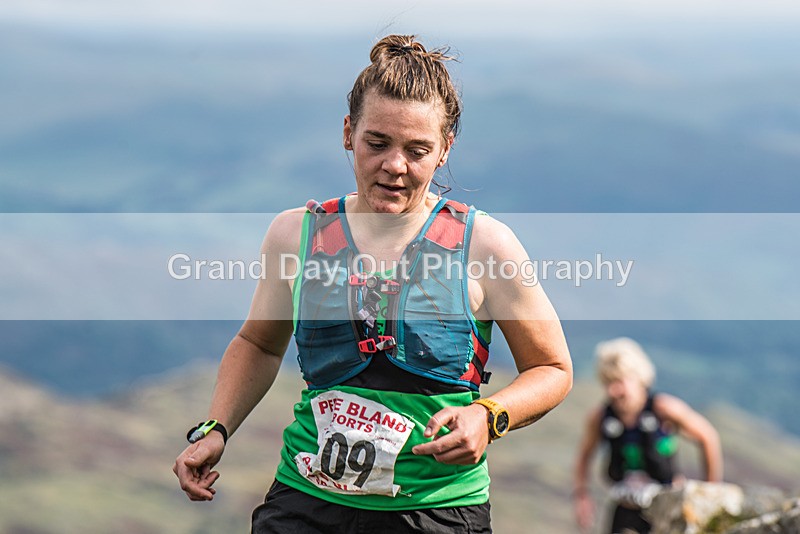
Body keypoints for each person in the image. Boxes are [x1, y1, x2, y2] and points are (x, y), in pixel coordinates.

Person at [173, 34, 573, 534]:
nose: (395, 166)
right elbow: (257, 343)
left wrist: (490, 416)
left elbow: (552, 368)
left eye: (417, 150)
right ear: (348, 133)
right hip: (305, 505)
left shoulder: (487, 246)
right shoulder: (295, 234)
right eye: (377, 143)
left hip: (438, 512)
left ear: (445, 149)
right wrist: (217, 427)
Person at [573, 337, 723, 534]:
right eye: (607, 382)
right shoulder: (600, 418)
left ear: (639, 378)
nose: (613, 390)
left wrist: (711, 493)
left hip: (667, 505)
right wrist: (582, 495)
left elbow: (708, 437)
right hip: (626, 508)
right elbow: (584, 455)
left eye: (619, 381)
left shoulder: (664, 409)